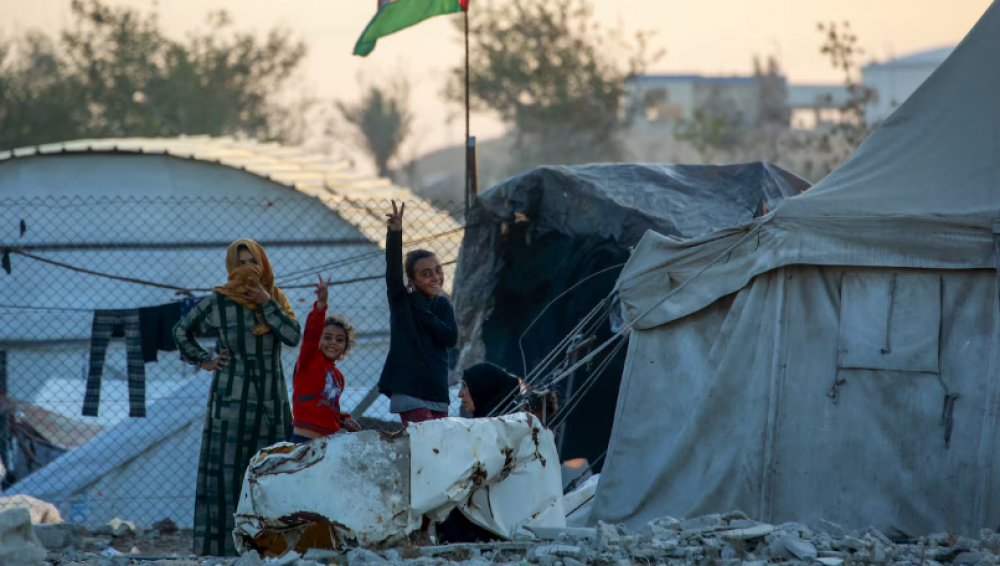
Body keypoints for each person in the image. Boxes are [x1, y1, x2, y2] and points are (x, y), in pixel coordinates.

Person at [172, 239, 301, 557]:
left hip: (271, 398)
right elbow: (181, 330)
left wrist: (266, 302)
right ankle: (223, 548)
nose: (246, 268)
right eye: (240, 262)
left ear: (263, 263)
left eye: (252, 261)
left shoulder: (276, 297)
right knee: (228, 471)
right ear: (231, 266)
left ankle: (271, 548)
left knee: (272, 469)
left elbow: (293, 336)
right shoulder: (220, 301)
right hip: (231, 397)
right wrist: (204, 359)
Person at [377, 200, 458, 424]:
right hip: (410, 392)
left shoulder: (443, 305)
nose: (435, 278)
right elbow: (392, 271)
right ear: (412, 280)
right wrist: (395, 234)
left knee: (438, 449)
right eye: (426, 274)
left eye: (438, 271)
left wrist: (423, 309)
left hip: (437, 393)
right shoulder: (402, 302)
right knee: (426, 443)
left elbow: (450, 337)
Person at [290, 275, 362, 443]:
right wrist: (321, 306)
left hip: (326, 443)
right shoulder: (309, 360)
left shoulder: (338, 377)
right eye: (327, 337)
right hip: (302, 440)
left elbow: (329, 407)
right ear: (319, 340)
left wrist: (344, 420)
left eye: (339, 340)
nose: (333, 343)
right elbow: (311, 334)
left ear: (345, 347)